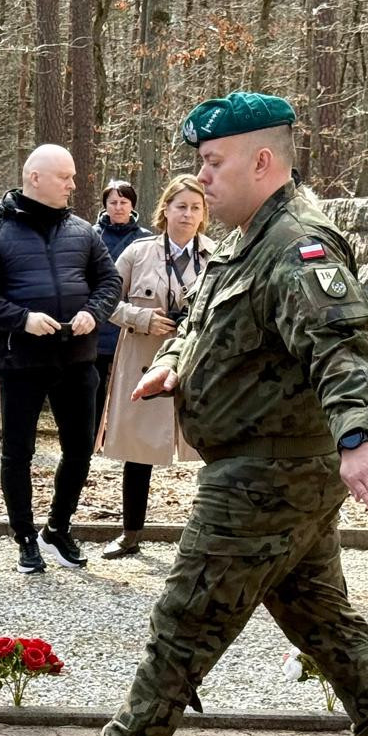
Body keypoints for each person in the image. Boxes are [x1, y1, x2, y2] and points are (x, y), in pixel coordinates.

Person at [6, 91, 368, 736]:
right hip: (266, 467)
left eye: (213, 162)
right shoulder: (247, 237)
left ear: (261, 160)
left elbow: (341, 349)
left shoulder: (300, 241)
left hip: (268, 472)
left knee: (186, 616)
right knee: (327, 626)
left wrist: (357, 438)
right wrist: (175, 363)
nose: (200, 178)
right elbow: (203, 318)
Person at [0, 144, 121, 574]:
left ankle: (58, 528)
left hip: (77, 359)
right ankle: (25, 537)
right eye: (65, 176)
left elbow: (110, 281)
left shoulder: (84, 231)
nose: (73, 184)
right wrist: (22, 319)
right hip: (22, 360)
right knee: (18, 453)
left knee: (81, 449)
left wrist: (93, 312)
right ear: (35, 178)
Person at [96, 174, 212, 560]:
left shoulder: (217, 256)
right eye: (181, 206)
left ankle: (210, 535)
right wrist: (142, 319)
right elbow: (104, 301)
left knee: (211, 449)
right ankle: (130, 533)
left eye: (196, 208)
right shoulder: (136, 252)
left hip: (196, 363)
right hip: (144, 358)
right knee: (139, 451)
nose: (188, 214)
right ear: (165, 209)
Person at [94, 180, 151, 413]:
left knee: (125, 383)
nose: (118, 207)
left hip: (129, 320)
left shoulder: (145, 238)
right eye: (113, 202)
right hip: (96, 318)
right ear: (105, 205)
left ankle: (118, 433)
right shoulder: (91, 235)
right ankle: (92, 431)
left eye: (123, 202)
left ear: (132, 206)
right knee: (94, 383)